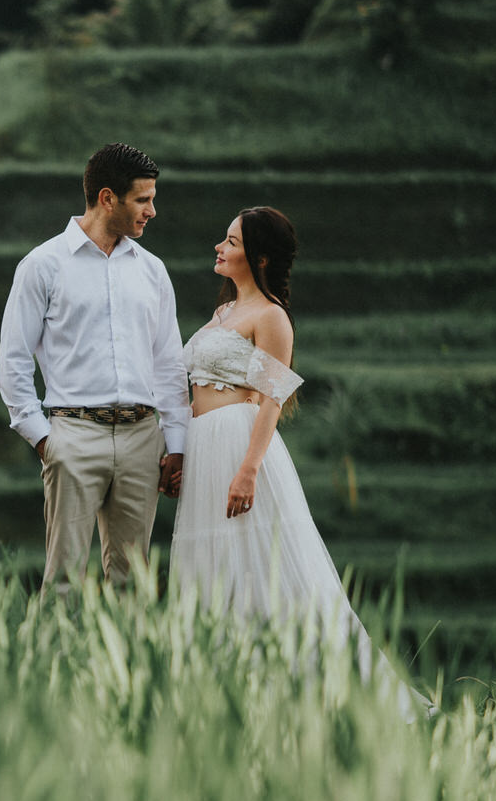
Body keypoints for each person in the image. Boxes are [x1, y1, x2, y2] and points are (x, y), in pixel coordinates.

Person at [170, 206, 430, 716]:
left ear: (260, 257)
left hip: (241, 444)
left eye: (231, 241)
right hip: (203, 447)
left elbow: (270, 399)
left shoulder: (271, 317)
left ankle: (318, 691)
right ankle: (224, 689)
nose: (219, 248)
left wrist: (248, 468)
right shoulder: (221, 315)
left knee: (269, 565)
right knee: (216, 564)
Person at [0, 143, 191, 591]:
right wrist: (45, 439)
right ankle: (50, 662)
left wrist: (175, 442)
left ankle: (130, 664)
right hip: (73, 436)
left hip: (144, 438)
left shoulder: (153, 271)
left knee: (133, 583)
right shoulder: (42, 266)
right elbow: (12, 360)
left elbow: (168, 363)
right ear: (108, 198)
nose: (152, 211)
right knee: (64, 581)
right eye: (143, 200)